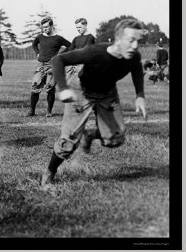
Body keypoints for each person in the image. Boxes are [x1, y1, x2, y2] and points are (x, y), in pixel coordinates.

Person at [41, 18, 147, 186]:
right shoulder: (94, 52)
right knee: (68, 142)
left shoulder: (133, 56)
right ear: (118, 38)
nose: (135, 46)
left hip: (107, 93)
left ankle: (89, 134)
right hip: (81, 90)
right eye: (131, 40)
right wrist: (63, 88)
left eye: (138, 42)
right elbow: (57, 60)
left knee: (115, 138)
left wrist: (140, 95)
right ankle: (49, 172)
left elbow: (136, 71)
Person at [27, 17, 71, 117]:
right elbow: (34, 44)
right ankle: (32, 111)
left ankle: (49, 112)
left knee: (50, 88)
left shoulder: (58, 38)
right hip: (41, 65)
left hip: (52, 66)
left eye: (46, 27)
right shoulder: (40, 37)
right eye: (43, 27)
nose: (45, 29)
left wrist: (60, 55)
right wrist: (37, 53)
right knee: (35, 86)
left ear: (51, 26)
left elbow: (70, 46)